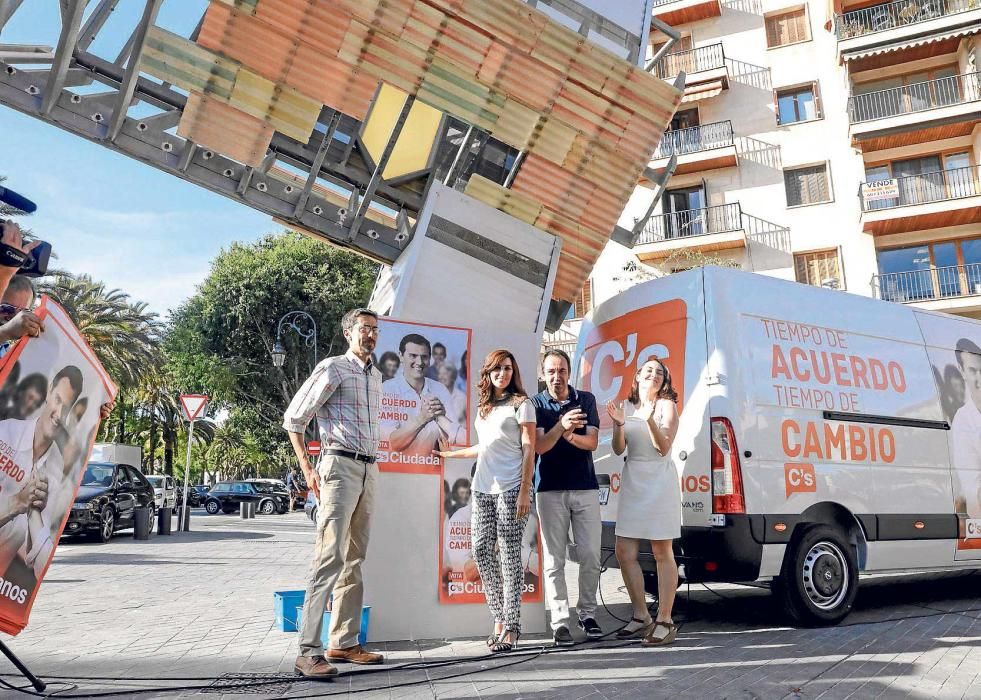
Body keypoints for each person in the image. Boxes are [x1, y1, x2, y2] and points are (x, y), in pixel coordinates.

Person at [283, 307, 385, 679]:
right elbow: (294, 418)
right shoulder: (333, 368)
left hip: (369, 467)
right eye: (364, 329)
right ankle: (307, 651)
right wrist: (307, 469)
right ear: (348, 333)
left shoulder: (376, 378)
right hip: (339, 466)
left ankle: (343, 640)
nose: (370, 335)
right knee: (329, 557)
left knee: (355, 557)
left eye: (375, 329)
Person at [434, 349, 535, 654]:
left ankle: (512, 627)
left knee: (508, 554)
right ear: (488, 374)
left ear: (513, 371)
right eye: (496, 369)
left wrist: (524, 490)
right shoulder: (485, 407)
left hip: (511, 488)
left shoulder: (523, 405)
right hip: (482, 489)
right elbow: (485, 445)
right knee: (479, 550)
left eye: (507, 368)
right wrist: (451, 454)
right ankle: (499, 617)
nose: (502, 374)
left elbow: (529, 449)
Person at [607, 357, 682, 647]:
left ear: (664, 381)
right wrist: (618, 425)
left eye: (659, 372)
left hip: (659, 481)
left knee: (662, 550)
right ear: (638, 376)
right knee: (624, 550)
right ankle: (641, 616)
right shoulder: (626, 407)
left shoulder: (666, 406)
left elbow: (663, 447)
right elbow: (618, 448)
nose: (653, 374)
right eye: (648, 370)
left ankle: (665, 620)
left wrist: (650, 417)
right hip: (633, 479)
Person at [532, 348, 602, 646]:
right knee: (554, 560)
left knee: (590, 555)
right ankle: (560, 622)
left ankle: (587, 614)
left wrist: (570, 435)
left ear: (569, 372)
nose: (556, 376)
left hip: (584, 487)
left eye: (561, 370)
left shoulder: (585, 399)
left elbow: (593, 442)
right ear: (543, 374)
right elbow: (540, 446)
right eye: (551, 371)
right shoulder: (535, 404)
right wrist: (563, 425)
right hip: (549, 489)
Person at [381, 333, 461, 457]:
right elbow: (392, 443)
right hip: (397, 469)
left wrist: (442, 418)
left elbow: (453, 437)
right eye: (413, 356)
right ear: (401, 356)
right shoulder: (387, 388)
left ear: (430, 360)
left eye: (424, 357)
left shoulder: (440, 389)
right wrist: (422, 418)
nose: (420, 362)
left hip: (432, 468)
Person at [951, 338, 981, 518]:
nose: (979, 378)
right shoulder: (964, 421)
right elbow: (974, 487)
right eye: (972, 371)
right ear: (962, 372)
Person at [0, 275, 42, 360]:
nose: (16, 318)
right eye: (7, 308)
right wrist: (6, 332)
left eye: (23, 313)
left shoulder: (8, 354)